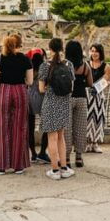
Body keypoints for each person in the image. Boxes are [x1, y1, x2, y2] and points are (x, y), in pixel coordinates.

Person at [0, 35, 33, 174]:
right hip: (20, 92)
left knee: (2, 127)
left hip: (4, 92)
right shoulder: (26, 59)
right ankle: (18, 165)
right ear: (19, 44)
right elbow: (30, 81)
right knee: (20, 127)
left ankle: (1, 166)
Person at [37, 38, 75, 180]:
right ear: (62, 48)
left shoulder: (44, 66)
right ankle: (64, 168)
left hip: (51, 104)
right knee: (61, 137)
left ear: (50, 48)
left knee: (52, 138)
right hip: (64, 104)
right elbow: (71, 86)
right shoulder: (69, 64)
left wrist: (49, 87)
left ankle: (54, 170)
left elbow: (41, 89)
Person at [65, 40, 92, 168]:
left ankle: (66, 157)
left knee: (67, 129)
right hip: (81, 98)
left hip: (67, 98)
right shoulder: (85, 66)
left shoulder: (64, 65)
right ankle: (79, 157)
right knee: (80, 128)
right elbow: (90, 83)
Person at [86, 43, 110, 153]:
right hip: (87, 95)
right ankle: (87, 143)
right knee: (86, 119)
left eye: (96, 51)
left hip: (99, 96)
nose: (94, 53)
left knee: (98, 119)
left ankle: (95, 143)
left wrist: (98, 87)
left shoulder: (106, 66)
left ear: (100, 53)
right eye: (92, 51)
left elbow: (107, 80)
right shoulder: (86, 64)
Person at [26, 48, 50, 163]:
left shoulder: (29, 68)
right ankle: (42, 152)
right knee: (47, 126)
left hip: (29, 97)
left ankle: (33, 154)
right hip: (42, 97)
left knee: (30, 127)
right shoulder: (45, 67)